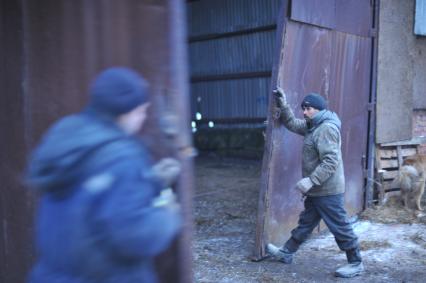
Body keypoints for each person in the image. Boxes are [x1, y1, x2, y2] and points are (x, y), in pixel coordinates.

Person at [25, 67, 182, 283]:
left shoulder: (69, 136)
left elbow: (91, 197)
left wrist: (151, 181)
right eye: (142, 111)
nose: (143, 118)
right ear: (126, 111)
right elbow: (134, 234)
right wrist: (167, 216)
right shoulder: (123, 156)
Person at [266, 87, 364, 278]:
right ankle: (286, 253)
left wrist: (311, 180)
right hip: (317, 190)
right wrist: (283, 105)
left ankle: (356, 262)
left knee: (340, 226)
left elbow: (331, 161)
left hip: (327, 190)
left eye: (308, 108)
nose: (304, 112)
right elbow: (293, 124)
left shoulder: (326, 128)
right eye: (303, 108)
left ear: (318, 109)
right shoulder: (313, 125)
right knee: (306, 223)